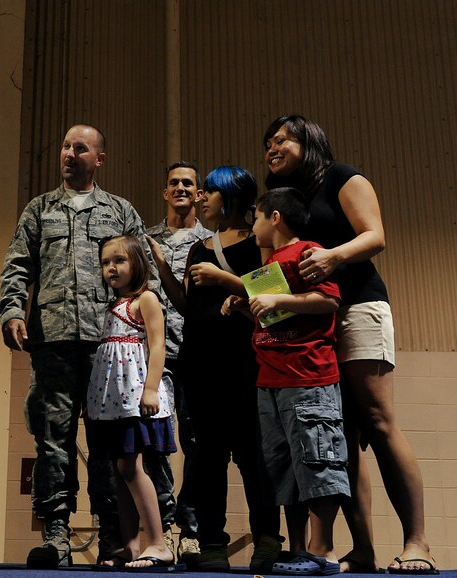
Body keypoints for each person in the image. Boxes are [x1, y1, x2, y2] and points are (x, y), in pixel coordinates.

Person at [262, 115, 437, 574]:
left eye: (281, 139)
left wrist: (333, 256)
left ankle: (417, 543)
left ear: (309, 140)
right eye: (267, 143)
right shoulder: (288, 203)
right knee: (343, 432)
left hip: (358, 307)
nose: (271, 148)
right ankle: (362, 548)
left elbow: (375, 235)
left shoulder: (341, 176)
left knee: (378, 422)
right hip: (314, 322)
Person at [0, 124, 155, 569]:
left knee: (107, 444)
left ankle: (112, 538)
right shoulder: (39, 210)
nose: (69, 154)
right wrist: (11, 310)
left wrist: (150, 335)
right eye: (65, 146)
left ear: (99, 158)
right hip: (53, 342)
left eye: (79, 148)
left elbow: (147, 277)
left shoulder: (120, 212)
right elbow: (16, 266)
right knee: (53, 440)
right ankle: (57, 536)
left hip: (110, 347)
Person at [150, 166, 282, 571]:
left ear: (231, 197)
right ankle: (211, 542)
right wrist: (161, 268)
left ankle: (267, 539)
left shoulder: (258, 243)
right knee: (206, 459)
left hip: (246, 364)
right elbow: (189, 307)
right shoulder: (199, 248)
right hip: (200, 363)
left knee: (253, 456)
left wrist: (221, 277)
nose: (201, 197)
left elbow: (274, 297)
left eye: (210, 191)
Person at [223, 187, 348, 576]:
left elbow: (328, 300)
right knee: (286, 470)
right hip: (271, 380)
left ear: (275, 217)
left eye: (256, 217)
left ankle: (322, 552)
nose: (252, 226)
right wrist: (248, 308)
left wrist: (280, 300)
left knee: (317, 460)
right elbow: (274, 325)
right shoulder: (270, 264)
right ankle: (297, 551)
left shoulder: (306, 251)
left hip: (307, 376)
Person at [86, 235, 180, 571]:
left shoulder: (147, 300)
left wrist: (151, 389)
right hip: (112, 401)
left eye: (119, 260)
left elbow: (157, 347)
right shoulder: (113, 306)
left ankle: (158, 542)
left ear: (137, 262)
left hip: (134, 397)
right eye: (106, 262)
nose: (111, 267)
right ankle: (131, 545)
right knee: (119, 469)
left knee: (131, 466)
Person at [144, 161, 210, 562]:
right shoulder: (144, 239)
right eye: (174, 183)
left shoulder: (212, 242)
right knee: (155, 442)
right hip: (152, 354)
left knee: (197, 442)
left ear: (199, 194)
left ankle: (190, 527)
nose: (181, 188)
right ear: (165, 192)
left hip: (196, 352)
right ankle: (166, 523)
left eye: (188, 183)